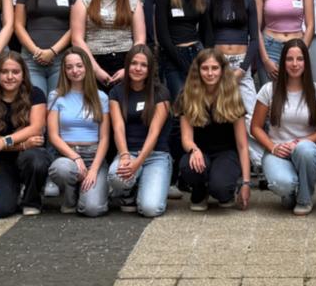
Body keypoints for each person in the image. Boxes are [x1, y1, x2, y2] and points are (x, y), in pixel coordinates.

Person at [251, 40, 316, 215]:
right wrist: (274, 147)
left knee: (305, 151)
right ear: (282, 62)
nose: (294, 64)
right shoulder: (269, 90)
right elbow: (255, 127)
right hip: (277, 151)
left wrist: (298, 143)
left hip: (306, 150)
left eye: (300, 59)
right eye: (289, 59)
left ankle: (305, 198)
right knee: (283, 184)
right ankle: (290, 190)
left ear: (306, 62)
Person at [0, 50, 51, 218]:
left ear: (23, 74)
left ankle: (31, 198)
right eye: (4, 72)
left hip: (28, 155)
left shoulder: (36, 94)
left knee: (36, 159)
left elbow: (36, 128)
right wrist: (23, 144)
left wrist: (4, 142)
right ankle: (13, 189)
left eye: (15, 72)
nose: (10, 77)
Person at [176, 48, 251, 210]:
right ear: (198, 70)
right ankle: (200, 190)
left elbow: (242, 145)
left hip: (226, 153)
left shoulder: (232, 95)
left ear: (222, 70)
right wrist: (194, 150)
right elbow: (186, 139)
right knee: (189, 168)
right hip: (199, 152)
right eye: (205, 68)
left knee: (221, 190)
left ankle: (222, 188)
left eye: (215, 68)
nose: (210, 73)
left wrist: (246, 183)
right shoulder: (187, 95)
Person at [45, 48, 112, 217]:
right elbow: (53, 135)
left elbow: (104, 138)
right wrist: (75, 157)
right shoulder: (56, 96)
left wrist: (94, 170)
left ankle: (87, 193)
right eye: (69, 67)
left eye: (79, 66)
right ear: (64, 71)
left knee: (92, 209)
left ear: (87, 68)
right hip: (68, 156)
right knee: (61, 168)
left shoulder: (101, 97)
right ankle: (69, 197)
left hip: (94, 156)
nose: (74, 71)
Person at [108, 45, 173, 217]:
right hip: (128, 152)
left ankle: (150, 182)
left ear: (150, 69)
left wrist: (139, 163)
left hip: (155, 155)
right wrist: (124, 156)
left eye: (143, 65)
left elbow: (154, 132)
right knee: (116, 177)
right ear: (127, 65)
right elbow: (118, 127)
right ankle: (128, 193)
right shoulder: (116, 92)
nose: (138, 68)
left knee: (150, 209)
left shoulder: (161, 93)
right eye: (134, 63)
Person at [15, 0, 81, 98]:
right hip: (31, 60)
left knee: (57, 106)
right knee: (35, 105)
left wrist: (52, 51)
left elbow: (75, 28)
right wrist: (36, 51)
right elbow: (18, 25)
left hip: (61, 61)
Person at [74, 0, 145, 88]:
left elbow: (140, 40)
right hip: (93, 62)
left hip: (126, 63)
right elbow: (77, 39)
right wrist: (96, 70)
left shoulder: (134, 2)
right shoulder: (83, 0)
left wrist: (129, 67)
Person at [257, 0, 315, 90]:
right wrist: (265, 60)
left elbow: (310, 25)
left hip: (296, 47)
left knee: (296, 94)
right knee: (270, 98)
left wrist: (302, 50)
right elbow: (255, 28)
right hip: (270, 48)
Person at [204, 0, 259, 103]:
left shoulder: (248, 1)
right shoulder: (208, 3)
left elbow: (254, 39)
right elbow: (206, 39)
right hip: (217, 63)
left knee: (251, 114)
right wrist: (212, 65)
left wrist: (243, 69)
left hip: (242, 63)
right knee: (219, 111)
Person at [158, 0, 207, 98]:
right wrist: (183, 63)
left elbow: (206, 32)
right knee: (181, 103)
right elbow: (163, 37)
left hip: (198, 53)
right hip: (173, 56)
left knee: (201, 102)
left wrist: (204, 58)